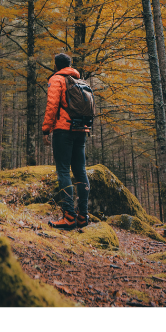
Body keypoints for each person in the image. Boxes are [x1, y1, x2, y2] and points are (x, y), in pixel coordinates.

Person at [42, 53, 92, 230]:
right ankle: (82, 216)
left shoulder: (57, 79)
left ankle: (69, 216)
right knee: (80, 171)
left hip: (63, 130)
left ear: (56, 65)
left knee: (63, 171)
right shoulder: (80, 80)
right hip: (81, 130)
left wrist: (46, 129)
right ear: (69, 65)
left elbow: (52, 105)